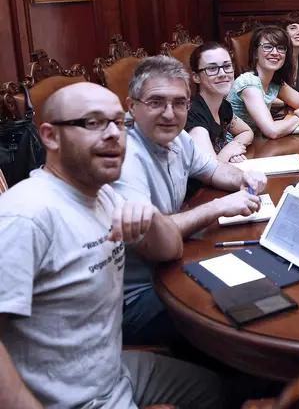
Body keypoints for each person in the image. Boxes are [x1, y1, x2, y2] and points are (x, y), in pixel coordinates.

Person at [0, 82, 225, 408]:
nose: (112, 134)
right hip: (74, 398)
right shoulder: (26, 216)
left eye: (118, 123)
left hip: (113, 372)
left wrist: (152, 216)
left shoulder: (101, 193)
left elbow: (169, 250)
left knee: (215, 390)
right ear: (50, 136)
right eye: (92, 123)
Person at [114, 55, 268, 346]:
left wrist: (243, 178)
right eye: (156, 102)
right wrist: (218, 207)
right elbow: (150, 239)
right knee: (243, 309)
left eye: (179, 103)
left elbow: (213, 171)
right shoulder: (125, 158)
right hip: (136, 298)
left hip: (173, 266)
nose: (169, 114)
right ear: (132, 107)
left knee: (260, 283)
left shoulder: (178, 139)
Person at [226, 25, 299, 139]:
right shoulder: (249, 83)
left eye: (280, 48)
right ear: (255, 53)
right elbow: (272, 131)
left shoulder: (275, 82)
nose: (275, 53)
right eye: (267, 47)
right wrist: (298, 117)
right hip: (233, 149)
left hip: (255, 142)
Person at [186, 41, 254, 163]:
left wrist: (232, 148)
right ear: (196, 77)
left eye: (227, 66)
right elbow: (208, 168)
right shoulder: (193, 114)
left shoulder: (223, 106)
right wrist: (227, 152)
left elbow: (246, 131)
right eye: (212, 68)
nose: (222, 74)